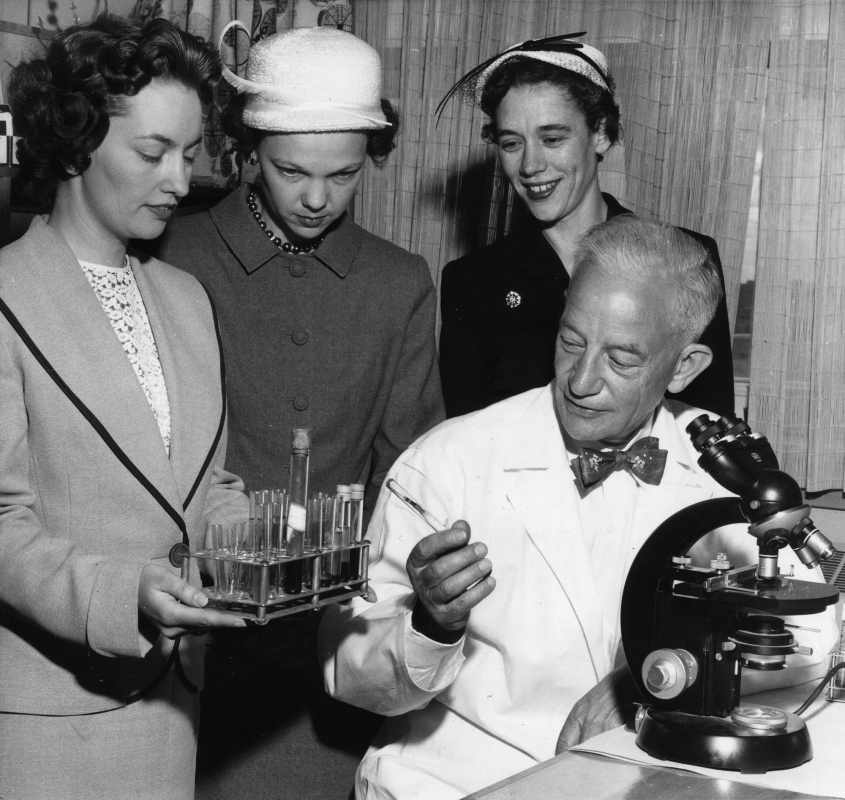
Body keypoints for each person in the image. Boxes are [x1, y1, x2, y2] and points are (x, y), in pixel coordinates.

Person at [320, 216, 837, 800]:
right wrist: (430, 624)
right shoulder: (446, 461)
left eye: (621, 359)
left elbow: (811, 637)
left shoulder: (726, 467)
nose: (581, 381)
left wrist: (646, 680)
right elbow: (348, 671)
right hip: (457, 783)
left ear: (684, 367)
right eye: (571, 342)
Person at [151, 25, 445, 800]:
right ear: (248, 151)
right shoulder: (171, 256)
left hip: (327, 652)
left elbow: (408, 473)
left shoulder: (399, 282)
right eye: (291, 171)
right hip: (184, 639)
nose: (316, 199)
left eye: (343, 175)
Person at [0, 15, 249, 800]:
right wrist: (120, 596)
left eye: (189, 153)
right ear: (76, 143)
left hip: (173, 707)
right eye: (152, 153)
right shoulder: (6, 297)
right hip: (48, 720)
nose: (179, 180)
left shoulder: (187, 298)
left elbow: (202, 486)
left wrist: (258, 549)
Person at [438, 34, 735, 419]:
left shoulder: (687, 259)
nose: (530, 165)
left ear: (602, 134)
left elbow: (712, 424)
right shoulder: (472, 281)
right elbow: (463, 439)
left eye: (552, 138)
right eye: (511, 144)